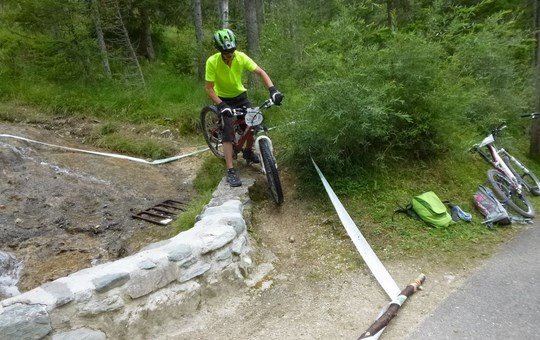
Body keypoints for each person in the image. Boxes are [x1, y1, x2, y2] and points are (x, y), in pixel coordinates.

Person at [205, 28, 283, 187]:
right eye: (226, 52)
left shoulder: (240, 57)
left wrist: (273, 90)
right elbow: (209, 89)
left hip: (241, 97)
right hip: (223, 99)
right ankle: (230, 170)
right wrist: (221, 104)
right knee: (228, 130)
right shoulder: (212, 62)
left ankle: (248, 152)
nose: (230, 54)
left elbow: (260, 72)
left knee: (253, 121)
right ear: (219, 50)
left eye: (232, 50)